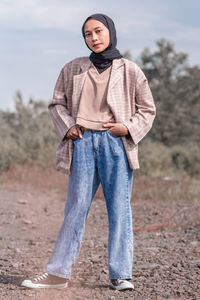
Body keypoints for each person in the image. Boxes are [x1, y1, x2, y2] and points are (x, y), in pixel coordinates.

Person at [21, 13, 156, 291]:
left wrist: (126, 128)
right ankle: (58, 274)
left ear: (110, 32)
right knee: (76, 207)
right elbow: (56, 104)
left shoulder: (130, 70)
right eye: (88, 34)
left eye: (98, 31)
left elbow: (147, 110)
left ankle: (121, 275)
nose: (94, 38)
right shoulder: (73, 68)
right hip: (82, 142)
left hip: (115, 143)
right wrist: (69, 126)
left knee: (119, 209)